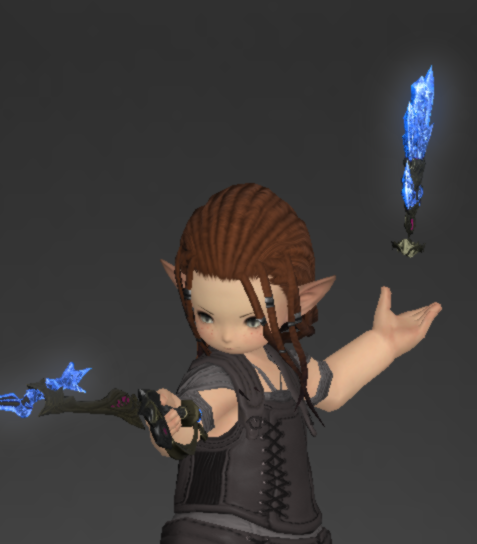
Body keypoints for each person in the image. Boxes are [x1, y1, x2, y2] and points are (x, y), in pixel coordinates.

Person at [147, 183, 442, 544]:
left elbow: (331, 386)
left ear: (302, 301)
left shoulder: (284, 367)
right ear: (183, 285)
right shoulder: (213, 376)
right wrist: (172, 425)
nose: (225, 335)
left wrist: (383, 343)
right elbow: (198, 415)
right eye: (206, 315)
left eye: (251, 320)